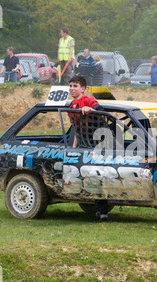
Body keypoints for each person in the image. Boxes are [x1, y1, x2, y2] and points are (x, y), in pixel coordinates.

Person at [68, 75, 110, 223]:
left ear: (83, 88)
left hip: (98, 144)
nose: (72, 88)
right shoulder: (71, 105)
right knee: (87, 178)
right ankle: (98, 210)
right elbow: (77, 130)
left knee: (96, 178)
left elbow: (100, 110)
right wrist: (73, 148)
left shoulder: (87, 100)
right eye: (71, 85)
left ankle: (102, 213)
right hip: (83, 146)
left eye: (75, 86)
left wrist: (89, 108)